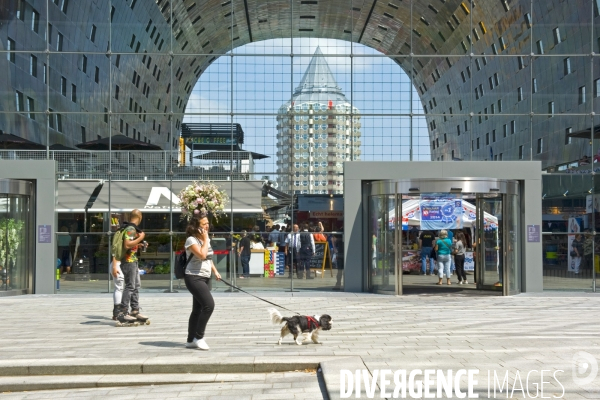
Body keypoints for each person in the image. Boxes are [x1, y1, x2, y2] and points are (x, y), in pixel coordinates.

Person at [184, 215, 221, 350]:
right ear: (196, 226)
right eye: (204, 224)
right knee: (209, 305)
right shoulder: (191, 240)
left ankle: (190, 340)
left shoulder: (205, 239)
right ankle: (199, 337)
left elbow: (208, 258)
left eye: (207, 223)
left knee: (197, 310)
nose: (207, 226)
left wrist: (215, 271)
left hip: (205, 276)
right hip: (193, 277)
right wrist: (205, 239)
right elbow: (202, 255)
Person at [116, 209, 148, 323]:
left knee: (136, 285)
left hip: (132, 260)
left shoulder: (130, 228)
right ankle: (123, 312)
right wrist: (141, 238)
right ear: (140, 217)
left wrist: (138, 245)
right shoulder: (131, 229)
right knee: (130, 286)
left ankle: (135, 310)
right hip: (128, 261)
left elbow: (129, 246)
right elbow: (127, 244)